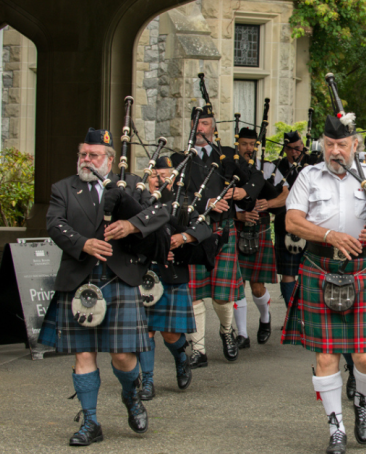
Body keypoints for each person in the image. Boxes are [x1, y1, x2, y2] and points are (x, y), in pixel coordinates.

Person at [283, 114, 366, 454]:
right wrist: (328, 234)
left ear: (355, 145)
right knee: (326, 357)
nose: (335, 151)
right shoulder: (309, 176)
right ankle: (336, 426)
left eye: (342, 144)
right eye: (330, 145)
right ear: (322, 146)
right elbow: (293, 220)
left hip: (365, 266)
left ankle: (362, 397)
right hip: (319, 264)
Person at [39, 128, 169, 446]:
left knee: (123, 357)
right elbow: (54, 224)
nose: (86, 160)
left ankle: (132, 396)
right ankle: (90, 422)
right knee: (84, 353)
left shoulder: (133, 187)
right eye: (83, 153)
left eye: (93, 155)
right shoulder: (64, 189)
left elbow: (160, 213)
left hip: (119, 280)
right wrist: (83, 244)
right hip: (80, 281)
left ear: (109, 160)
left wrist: (131, 225)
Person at [178, 107, 265, 368]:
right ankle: (198, 349)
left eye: (205, 124)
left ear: (213, 128)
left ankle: (227, 331)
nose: (201, 128)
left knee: (222, 294)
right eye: (197, 124)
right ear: (191, 128)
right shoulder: (180, 159)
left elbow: (257, 178)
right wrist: (207, 201)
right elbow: (176, 197)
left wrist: (241, 193)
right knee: (193, 294)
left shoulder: (226, 155)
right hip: (192, 233)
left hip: (221, 231)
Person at [135, 156, 214, 401]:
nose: (159, 181)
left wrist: (183, 238)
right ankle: (147, 380)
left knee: (169, 333)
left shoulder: (183, 204)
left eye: (165, 176)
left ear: (174, 179)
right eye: (155, 175)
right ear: (147, 176)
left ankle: (181, 358)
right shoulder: (135, 202)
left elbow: (203, 228)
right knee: (145, 331)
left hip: (170, 273)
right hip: (141, 273)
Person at [233, 127, 287, 349]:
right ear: (237, 145)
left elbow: (286, 194)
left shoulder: (268, 167)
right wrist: (239, 214)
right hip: (237, 227)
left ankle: (265, 318)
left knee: (257, 286)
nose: (248, 149)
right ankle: (242, 335)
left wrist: (269, 203)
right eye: (244, 144)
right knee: (236, 285)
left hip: (261, 228)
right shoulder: (230, 167)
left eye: (252, 145)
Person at [273, 131, 310, 308]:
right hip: (285, 223)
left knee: (309, 271)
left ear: (303, 146)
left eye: (297, 148)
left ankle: (306, 313)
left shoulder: (313, 164)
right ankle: (291, 315)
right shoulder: (276, 167)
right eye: (290, 149)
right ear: (285, 149)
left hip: (311, 224)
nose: (295, 152)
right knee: (288, 272)